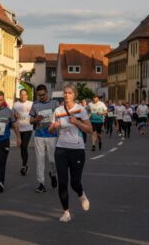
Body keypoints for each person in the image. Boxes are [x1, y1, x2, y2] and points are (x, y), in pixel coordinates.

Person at [49, 83, 92, 222]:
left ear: (75, 95)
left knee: (74, 182)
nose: (67, 95)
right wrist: (54, 126)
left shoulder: (81, 110)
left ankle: (81, 194)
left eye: (70, 93)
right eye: (65, 92)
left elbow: (89, 129)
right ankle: (66, 212)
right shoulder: (57, 111)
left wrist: (77, 123)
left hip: (77, 149)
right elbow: (50, 129)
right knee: (62, 182)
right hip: (61, 149)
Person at [29, 85, 59, 193]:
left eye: (43, 94)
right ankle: (41, 183)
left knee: (52, 159)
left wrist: (55, 126)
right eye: (39, 95)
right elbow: (30, 121)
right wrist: (36, 119)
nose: (41, 97)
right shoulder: (35, 105)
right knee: (40, 160)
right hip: (39, 135)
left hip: (52, 135)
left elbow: (59, 119)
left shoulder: (54, 104)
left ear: (47, 92)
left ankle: (53, 173)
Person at [13, 89, 33, 176]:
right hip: (19, 128)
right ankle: (24, 164)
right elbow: (12, 117)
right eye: (21, 94)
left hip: (28, 128)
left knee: (24, 146)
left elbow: (35, 114)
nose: (23, 96)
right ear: (19, 95)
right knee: (22, 147)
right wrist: (15, 116)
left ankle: (24, 165)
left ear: (27, 95)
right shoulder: (15, 105)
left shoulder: (31, 104)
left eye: (25, 94)